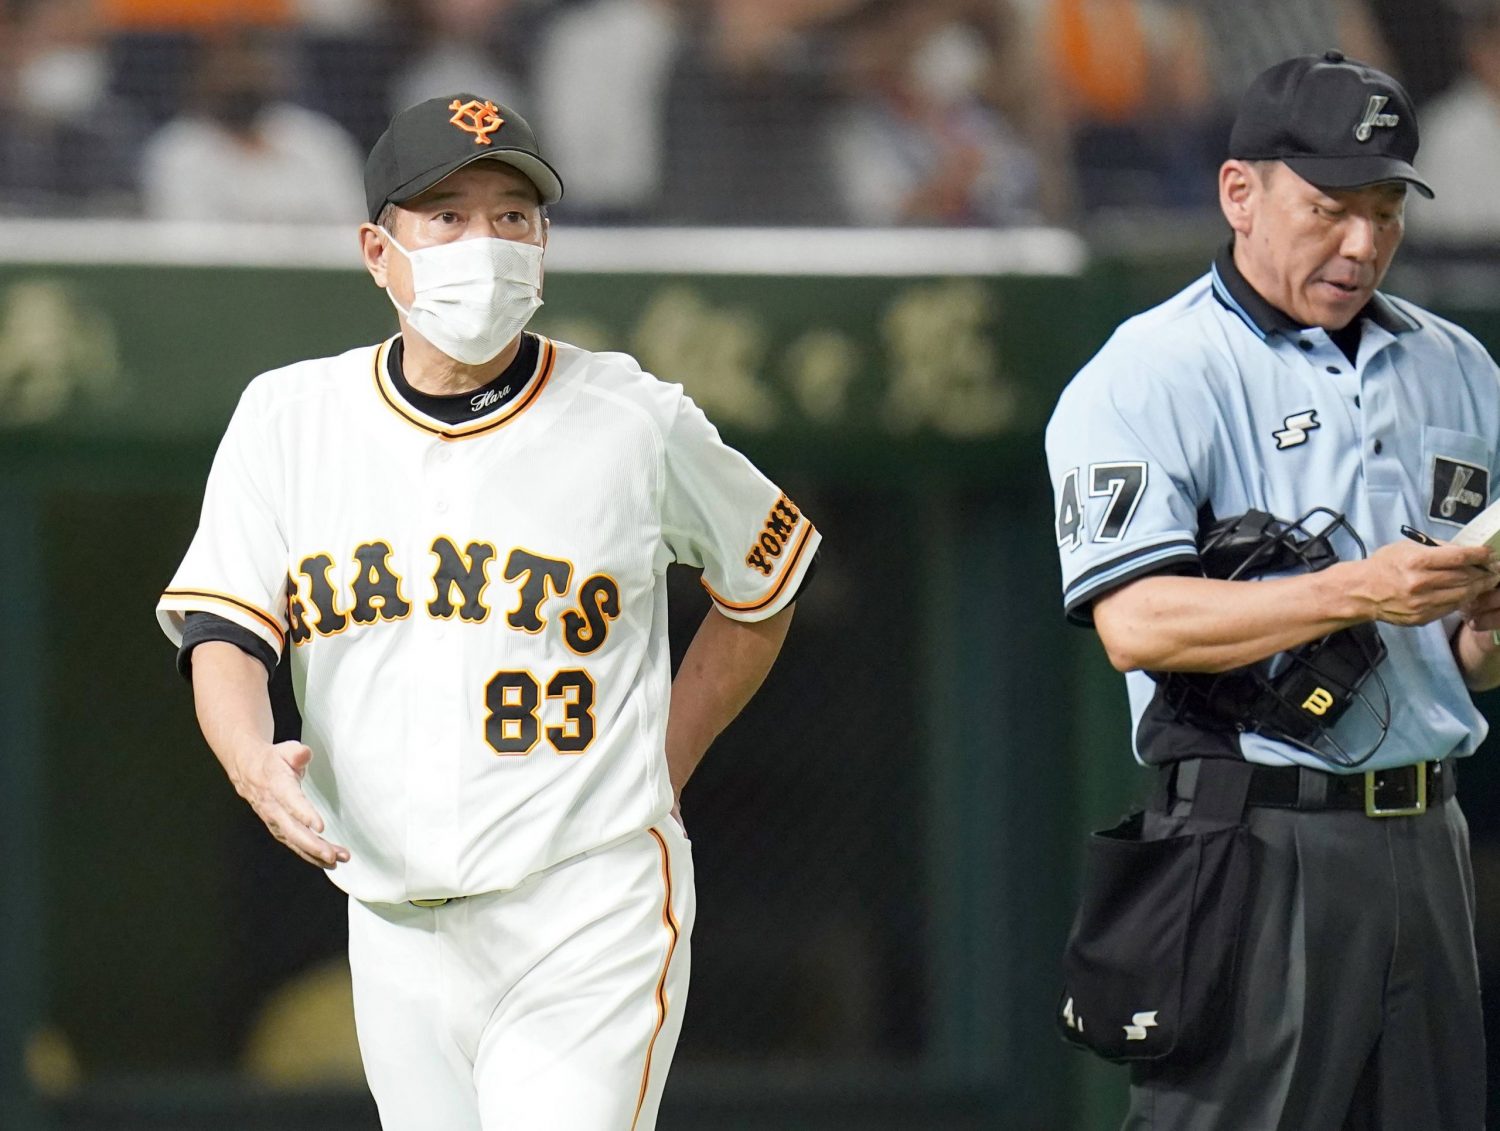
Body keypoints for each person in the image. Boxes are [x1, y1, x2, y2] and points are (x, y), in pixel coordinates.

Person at [156, 93, 820, 1130]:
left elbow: (763, 585)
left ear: (546, 245)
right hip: (390, 922)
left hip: (583, 904)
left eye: (514, 218)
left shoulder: (633, 418)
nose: (487, 244)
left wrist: (665, 760)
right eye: (449, 216)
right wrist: (250, 763)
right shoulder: (289, 418)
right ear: (379, 251)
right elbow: (226, 633)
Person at [1045, 51, 1500, 1129]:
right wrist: (1357, 593)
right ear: (1240, 193)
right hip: (1253, 843)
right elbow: (1137, 621)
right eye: (1331, 208)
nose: (1362, 243)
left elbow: (1467, 661)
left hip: (1430, 834)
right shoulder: (1152, 369)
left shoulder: (1459, 367)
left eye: (1385, 211)